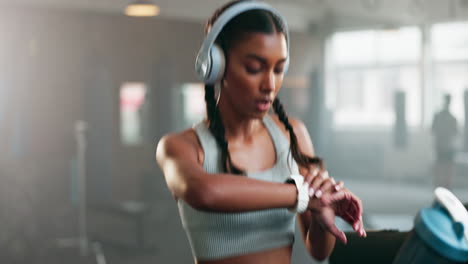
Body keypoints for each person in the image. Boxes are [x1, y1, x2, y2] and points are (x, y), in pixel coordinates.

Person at [156, 1, 366, 263]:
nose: (270, 84)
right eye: (254, 68)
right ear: (217, 65)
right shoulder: (180, 146)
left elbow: (319, 251)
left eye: (278, 69)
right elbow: (204, 192)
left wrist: (323, 214)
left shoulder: (293, 136)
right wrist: (303, 195)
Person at [431, 94, 458, 189]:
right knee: (440, 166)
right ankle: (439, 185)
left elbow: (455, 132)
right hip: (441, 145)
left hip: (448, 146)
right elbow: (433, 130)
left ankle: (446, 186)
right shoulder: (438, 116)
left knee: (448, 167)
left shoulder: (453, 118)